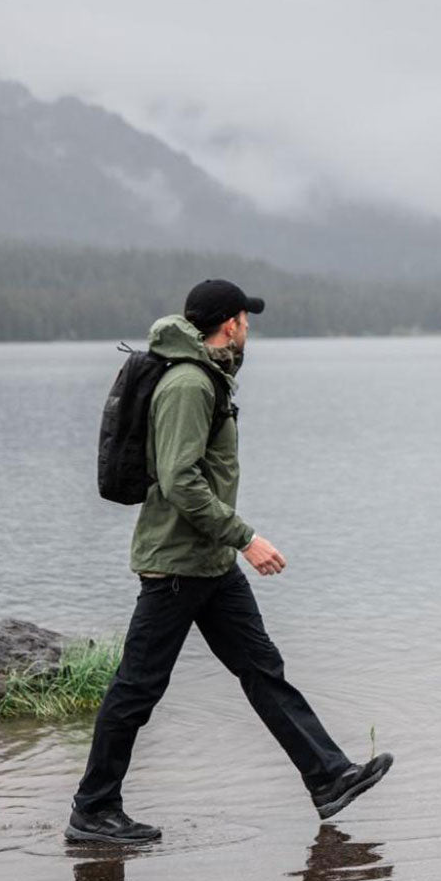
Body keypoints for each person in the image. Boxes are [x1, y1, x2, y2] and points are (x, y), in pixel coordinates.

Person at [66, 279, 392, 843]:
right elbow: (179, 480)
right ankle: (93, 810)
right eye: (247, 320)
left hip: (209, 565)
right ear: (232, 323)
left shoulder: (206, 377)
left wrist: (228, 546)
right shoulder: (189, 384)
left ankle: (329, 777)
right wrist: (246, 538)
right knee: (137, 689)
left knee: (262, 669)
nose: (250, 329)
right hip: (175, 565)